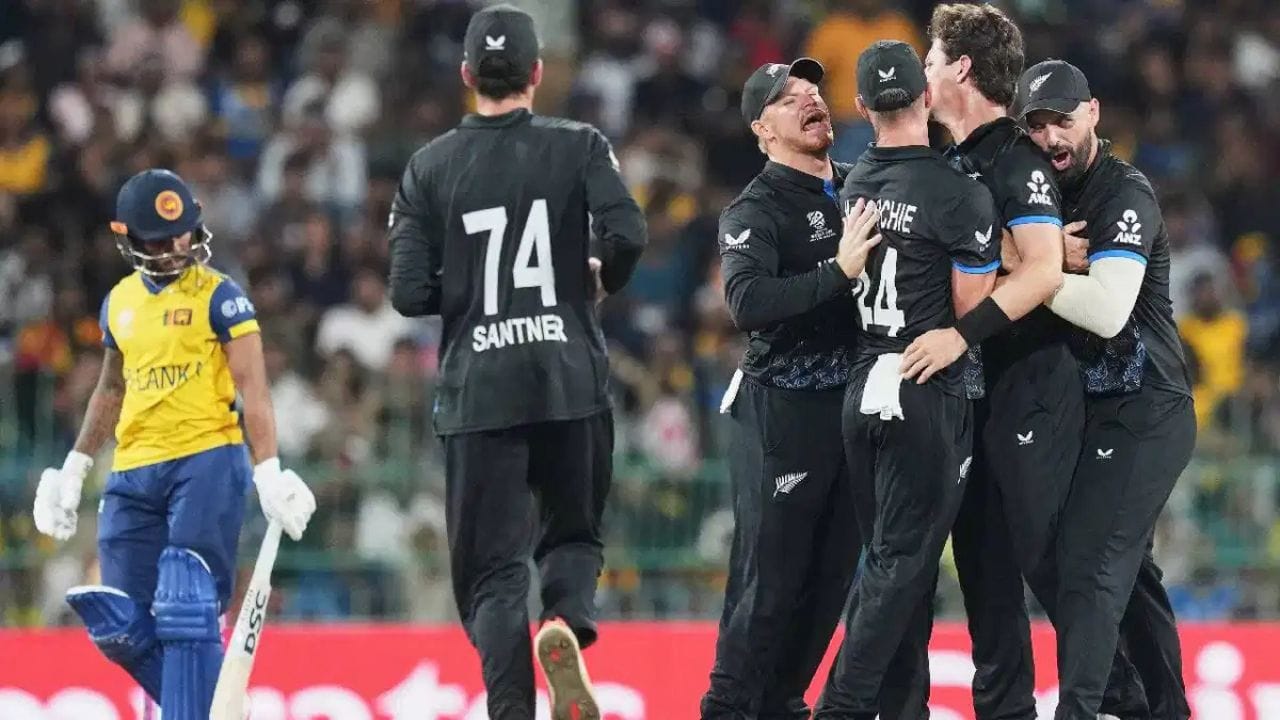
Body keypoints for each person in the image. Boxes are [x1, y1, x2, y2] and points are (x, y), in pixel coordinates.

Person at [384, 6, 647, 720]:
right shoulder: (580, 144)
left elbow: (406, 291)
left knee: (492, 575)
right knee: (573, 534)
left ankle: (511, 710)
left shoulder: (428, 166)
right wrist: (601, 277)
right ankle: (564, 619)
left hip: (479, 390)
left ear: (467, 74)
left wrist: (467, 290)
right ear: (537, 72)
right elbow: (628, 231)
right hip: (569, 375)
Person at [909, 6, 1156, 719]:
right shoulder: (944, 160)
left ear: (960, 68)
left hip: (1031, 381)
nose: (925, 72)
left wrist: (1029, 259)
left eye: (932, 60)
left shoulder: (1018, 161)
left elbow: (1046, 269)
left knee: (1051, 562)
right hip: (971, 391)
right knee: (985, 572)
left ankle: (1126, 699)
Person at [32, 168, 317, 719]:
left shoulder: (221, 296)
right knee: (118, 620)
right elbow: (110, 388)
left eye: (181, 233)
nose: (176, 247)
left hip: (206, 459)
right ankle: (221, 708)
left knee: (187, 602)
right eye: (159, 240)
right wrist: (74, 466)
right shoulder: (118, 303)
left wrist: (269, 471)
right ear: (127, 238)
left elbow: (253, 387)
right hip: (133, 467)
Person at [701, 56, 925, 720]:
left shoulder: (862, 185)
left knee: (830, 582)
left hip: (852, 412)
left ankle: (781, 703)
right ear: (762, 129)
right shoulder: (754, 209)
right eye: (787, 98)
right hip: (783, 411)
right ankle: (726, 708)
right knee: (768, 584)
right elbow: (747, 303)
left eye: (812, 90)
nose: (809, 100)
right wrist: (839, 271)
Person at [813, 40, 999, 719]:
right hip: (924, 385)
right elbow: (971, 309)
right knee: (899, 570)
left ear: (860, 106)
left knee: (895, 572)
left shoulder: (854, 183)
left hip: (863, 385)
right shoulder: (960, 193)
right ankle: (840, 707)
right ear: (925, 96)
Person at [1017, 59, 1194, 720]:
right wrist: (1032, 257)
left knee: (1091, 563)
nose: (1050, 137)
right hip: (1093, 409)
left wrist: (1032, 268)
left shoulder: (1123, 194)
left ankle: (1085, 709)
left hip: (1147, 405)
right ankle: (1156, 707)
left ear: (1092, 113)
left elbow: (1107, 311)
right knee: (1119, 572)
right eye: (1036, 126)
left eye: (1061, 120)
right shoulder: (1038, 195)